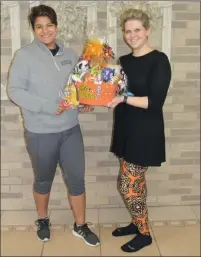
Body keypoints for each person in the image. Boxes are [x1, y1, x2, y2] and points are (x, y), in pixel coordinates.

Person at [7, 4, 100, 247]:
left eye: (49, 25)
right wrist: (50, 105)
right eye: (39, 26)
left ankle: (80, 225)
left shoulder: (70, 54)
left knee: (77, 179)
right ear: (34, 29)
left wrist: (82, 104)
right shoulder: (24, 55)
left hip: (70, 129)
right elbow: (14, 91)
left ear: (56, 26)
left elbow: (75, 90)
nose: (45, 30)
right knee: (43, 179)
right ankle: (42, 219)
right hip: (41, 132)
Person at [108, 9, 171, 253]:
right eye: (128, 31)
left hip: (145, 132)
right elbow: (112, 92)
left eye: (137, 30)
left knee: (128, 185)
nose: (132, 35)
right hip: (126, 129)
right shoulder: (123, 62)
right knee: (137, 183)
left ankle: (144, 233)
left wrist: (122, 99)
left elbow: (154, 102)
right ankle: (137, 223)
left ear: (147, 31)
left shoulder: (159, 60)